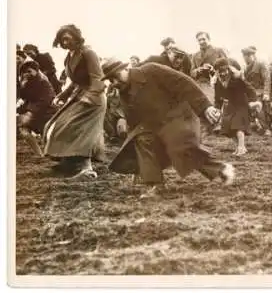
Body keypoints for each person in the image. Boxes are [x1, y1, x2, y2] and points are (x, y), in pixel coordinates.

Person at [101, 58, 236, 199]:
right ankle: (155, 184)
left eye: (115, 77)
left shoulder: (151, 70)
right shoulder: (124, 92)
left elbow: (184, 83)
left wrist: (205, 107)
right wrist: (139, 167)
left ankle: (221, 169)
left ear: (125, 69)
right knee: (142, 139)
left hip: (179, 116)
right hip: (155, 125)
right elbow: (135, 122)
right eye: (110, 80)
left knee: (180, 147)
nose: (114, 83)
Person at [42, 24, 107, 180]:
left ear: (76, 37)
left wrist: (89, 97)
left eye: (67, 39)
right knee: (58, 125)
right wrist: (62, 95)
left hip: (94, 99)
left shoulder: (88, 53)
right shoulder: (70, 55)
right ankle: (68, 161)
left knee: (80, 130)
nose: (64, 43)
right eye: (61, 40)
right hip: (80, 94)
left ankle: (87, 169)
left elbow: (98, 78)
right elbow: (74, 81)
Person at [213, 58, 260, 156]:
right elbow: (217, 97)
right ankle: (240, 146)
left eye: (225, 71)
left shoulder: (237, 78)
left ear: (228, 69)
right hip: (229, 106)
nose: (223, 74)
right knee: (228, 129)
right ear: (217, 72)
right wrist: (217, 108)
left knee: (238, 126)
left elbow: (250, 89)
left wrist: (254, 101)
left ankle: (241, 147)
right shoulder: (217, 82)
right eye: (220, 72)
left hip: (241, 105)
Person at [17, 60, 57, 156]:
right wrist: (22, 85)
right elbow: (25, 98)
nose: (27, 74)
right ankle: (39, 154)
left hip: (48, 113)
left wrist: (30, 112)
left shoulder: (43, 81)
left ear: (36, 70)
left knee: (47, 134)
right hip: (35, 113)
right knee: (24, 130)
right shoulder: (28, 81)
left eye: (29, 71)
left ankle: (50, 153)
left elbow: (46, 100)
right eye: (25, 72)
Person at [241, 46, 271, 135]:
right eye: (245, 56)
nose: (246, 58)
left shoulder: (260, 64)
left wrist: (266, 93)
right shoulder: (245, 68)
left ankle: (266, 129)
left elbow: (267, 79)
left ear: (253, 55)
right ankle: (247, 126)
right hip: (250, 92)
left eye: (249, 55)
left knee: (258, 103)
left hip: (260, 91)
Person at [190, 31, 227, 102]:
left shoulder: (219, 51)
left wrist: (213, 70)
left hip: (217, 85)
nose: (201, 42)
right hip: (201, 87)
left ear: (209, 39)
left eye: (203, 39)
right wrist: (199, 70)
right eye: (199, 40)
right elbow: (191, 73)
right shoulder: (195, 55)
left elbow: (227, 67)